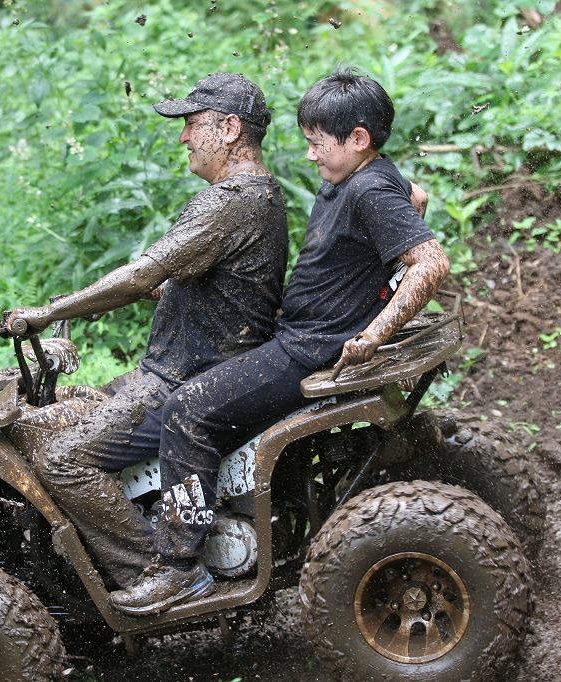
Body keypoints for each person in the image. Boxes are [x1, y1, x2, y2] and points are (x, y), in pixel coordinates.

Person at [110, 67, 450, 616]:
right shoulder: (366, 176)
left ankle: (178, 566)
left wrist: (374, 331)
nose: (310, 155)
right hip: (301, 333)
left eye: (317, 143)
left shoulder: (366, 188)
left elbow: (431, 263)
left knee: (186, 410)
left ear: (358, 139)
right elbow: (416, 194)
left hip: (307, 348)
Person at [5, 73, 288, 591]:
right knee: (63, 411)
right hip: (185, 369)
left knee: (61, 459)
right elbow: (201, 284)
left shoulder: (229, 201)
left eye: (192, 124)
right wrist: (94, 302)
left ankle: (158, 572)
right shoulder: (259, 195)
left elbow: (142, 274)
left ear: (229, 129)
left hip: (186, 380)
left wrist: (49, 312)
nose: (183, 137)